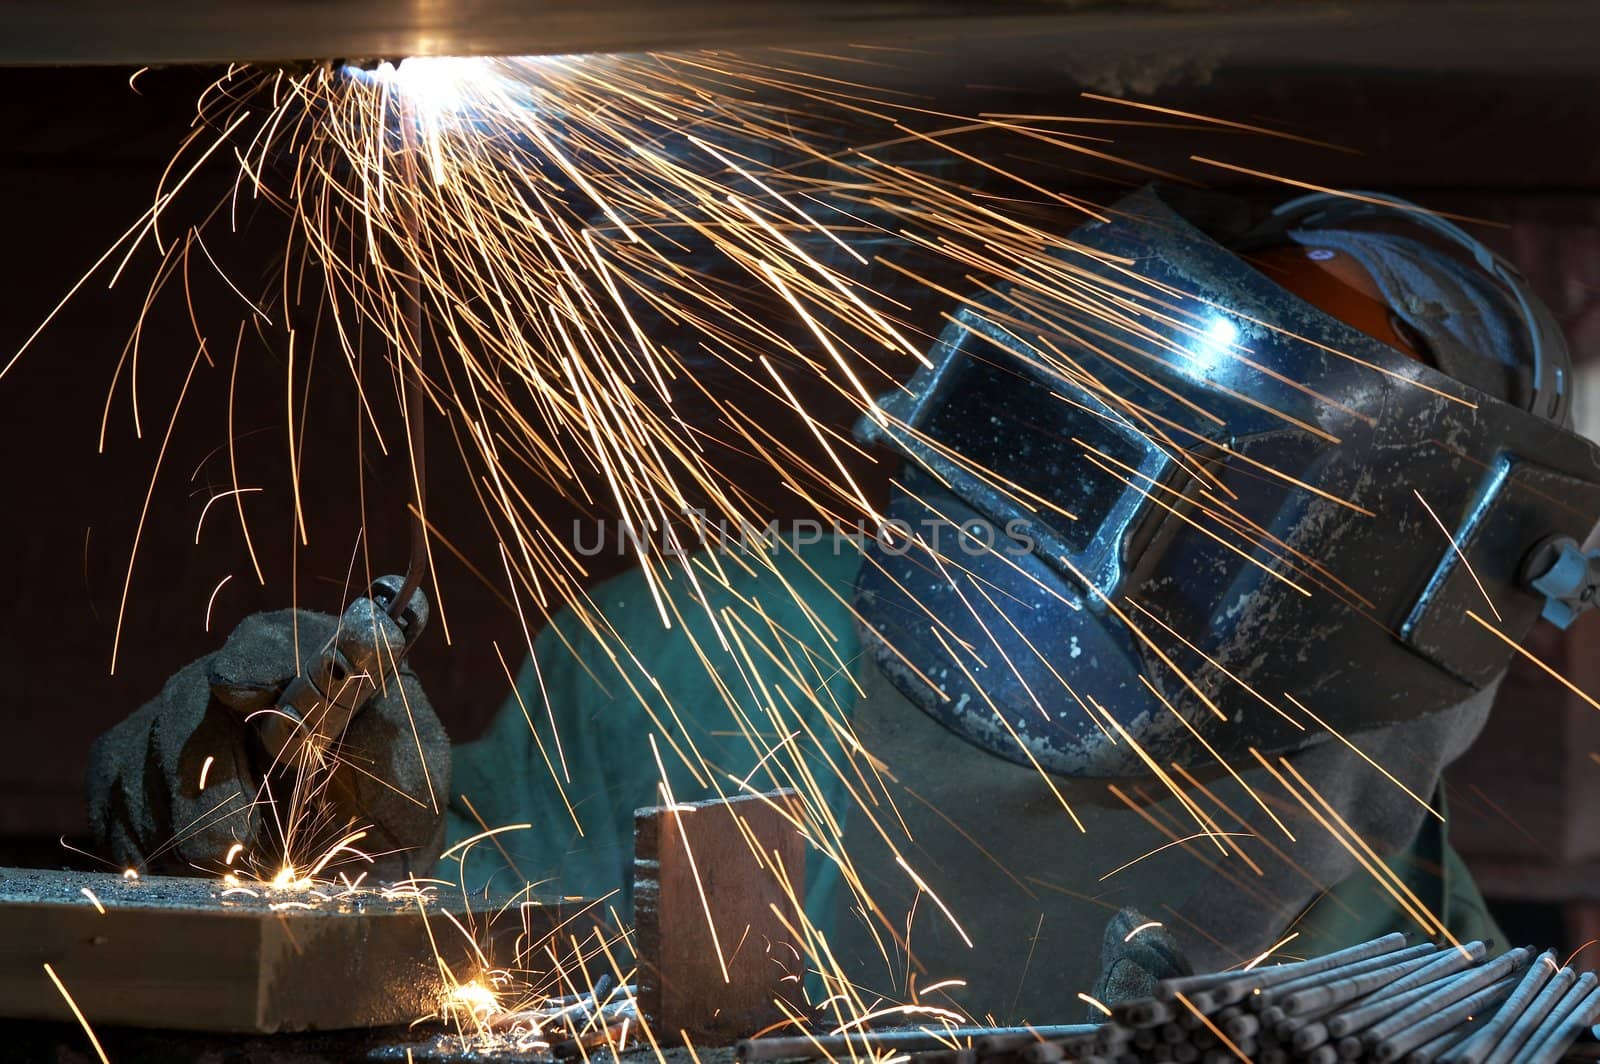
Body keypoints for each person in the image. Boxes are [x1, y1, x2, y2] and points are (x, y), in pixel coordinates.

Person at [87, 184, 1600, 1020]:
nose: (1203, 472)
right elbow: (444, 936)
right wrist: (292, 809)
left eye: (1284, 463)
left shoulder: (1354, 776)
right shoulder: (695, 653)